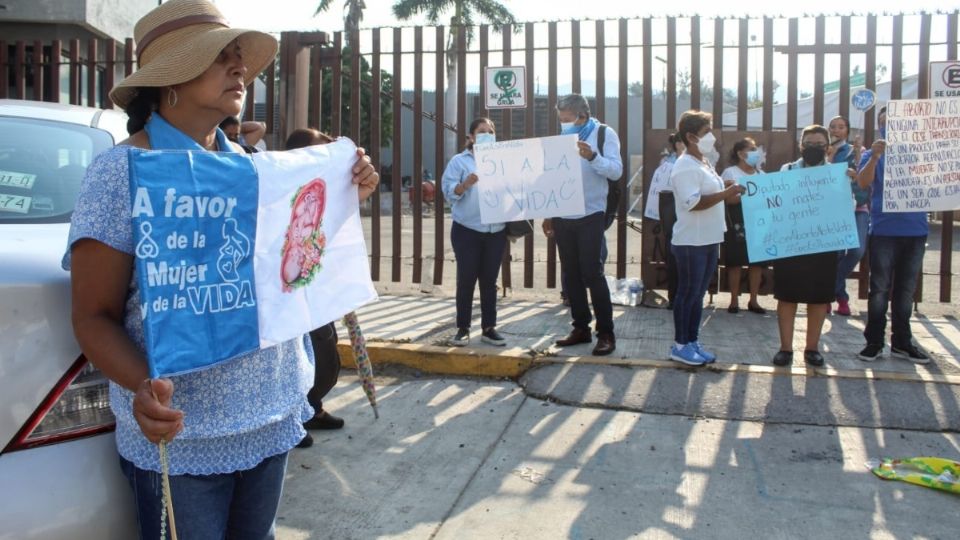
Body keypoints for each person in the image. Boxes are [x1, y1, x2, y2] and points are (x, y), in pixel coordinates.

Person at [63, 1, 378, 537]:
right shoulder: (121, 173)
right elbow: (93, 315)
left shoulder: (256, 169)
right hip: (182, 438)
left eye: (239, 57)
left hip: (271, 417)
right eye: (220, 57)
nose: (240, 69)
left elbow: (291, 264)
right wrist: (143, 387)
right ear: (169, 81)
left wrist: (349, 191)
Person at [284, 128, 351, 449]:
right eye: (320, 142)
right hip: (293, 292)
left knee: (327, 352)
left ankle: (312, 408)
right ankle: (294, 417)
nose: (329, 142)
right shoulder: (285, 188)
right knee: (305, 355)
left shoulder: (327, 185)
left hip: (321, 286)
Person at [542, 94, 623, 356]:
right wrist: (549, 213)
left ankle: (606, 332)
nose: (564, 125)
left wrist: (592, 157)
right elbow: (553, 176)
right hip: (564, 214)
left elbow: (616, 171)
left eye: (567, 120)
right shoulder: (562, 139)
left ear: (582, 117)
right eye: (561, 120)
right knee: (571, 274)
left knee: (592, 272)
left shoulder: (603, 134)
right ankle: (580, 327)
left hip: (591, 213)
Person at [668, 110, 744, 365]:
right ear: (690, 137)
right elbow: (693, 203)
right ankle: (680, 344)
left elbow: (716, 195)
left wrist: (730, 191)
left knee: (697, 293)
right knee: (688, 293)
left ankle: (691, 340)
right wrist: (726, 193)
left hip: (709, 238)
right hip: (692, 242)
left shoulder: (704, 162)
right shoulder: (684, 166)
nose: (712, 136)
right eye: (706, 132)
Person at [856, 106, 930, 364]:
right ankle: (874, 341)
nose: (888, 127)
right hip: (884, 231)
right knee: (878, 289)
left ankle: (902, 341)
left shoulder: (923, 151)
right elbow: (863, 184)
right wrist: (875, 157)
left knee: (905, 291)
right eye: (883, 123)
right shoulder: (871, 153)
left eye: (893, 122)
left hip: (916, 230)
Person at [771, 125, 838, 368]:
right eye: (809, 144)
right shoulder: (786, 170)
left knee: (818, 298)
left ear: (827, 148)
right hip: (792, 242)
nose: (814, 148)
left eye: (819, 144)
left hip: (824, 243)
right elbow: (777, 203)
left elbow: (846, 206)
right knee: (787, 296)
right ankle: (785, 348)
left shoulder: (836, 174)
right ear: (801, 146)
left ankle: (812, 348)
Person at [441, 117, 507, 347]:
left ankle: (489, 328)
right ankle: (462, 328)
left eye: (491, 131)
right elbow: (449, 192)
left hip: (495, 231)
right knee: (466, 279)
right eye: (481, 131)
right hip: (467, 230)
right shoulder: (459, 162)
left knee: (490, 281)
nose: (487, 135)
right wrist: (465, 184)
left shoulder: (503, 160)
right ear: (470, 137)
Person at [828, 115, 870, 316]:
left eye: (841, 127)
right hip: (833, 209)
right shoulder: (823, 151)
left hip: (857, 208)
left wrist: (856, 170)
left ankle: (829, 290)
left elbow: (864, 180)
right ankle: (841, 298)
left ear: (847, 130)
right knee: (834, 255)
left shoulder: (856, 151)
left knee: (856, 251)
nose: (836, 130)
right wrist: (828, 157)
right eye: (833, 127)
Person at [719, 137, 766, 315]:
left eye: (756, 149)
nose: (756, 153)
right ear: (740, 153)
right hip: (737, 222)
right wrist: (749, 196)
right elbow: (727, 199)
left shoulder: (762, 175)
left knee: (757, 264)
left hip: (758, 223)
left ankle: (753, 300)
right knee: (735, 263)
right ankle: (733, 300)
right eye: (751, 149)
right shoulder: (730, 173)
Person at [645, 133, 684, 307]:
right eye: (681, 142)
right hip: (674, 219)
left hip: (695, 219)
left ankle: (690, 299)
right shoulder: (667, 166)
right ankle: (674, 298)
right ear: (676, 144)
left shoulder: (702, 164)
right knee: (673, 259)